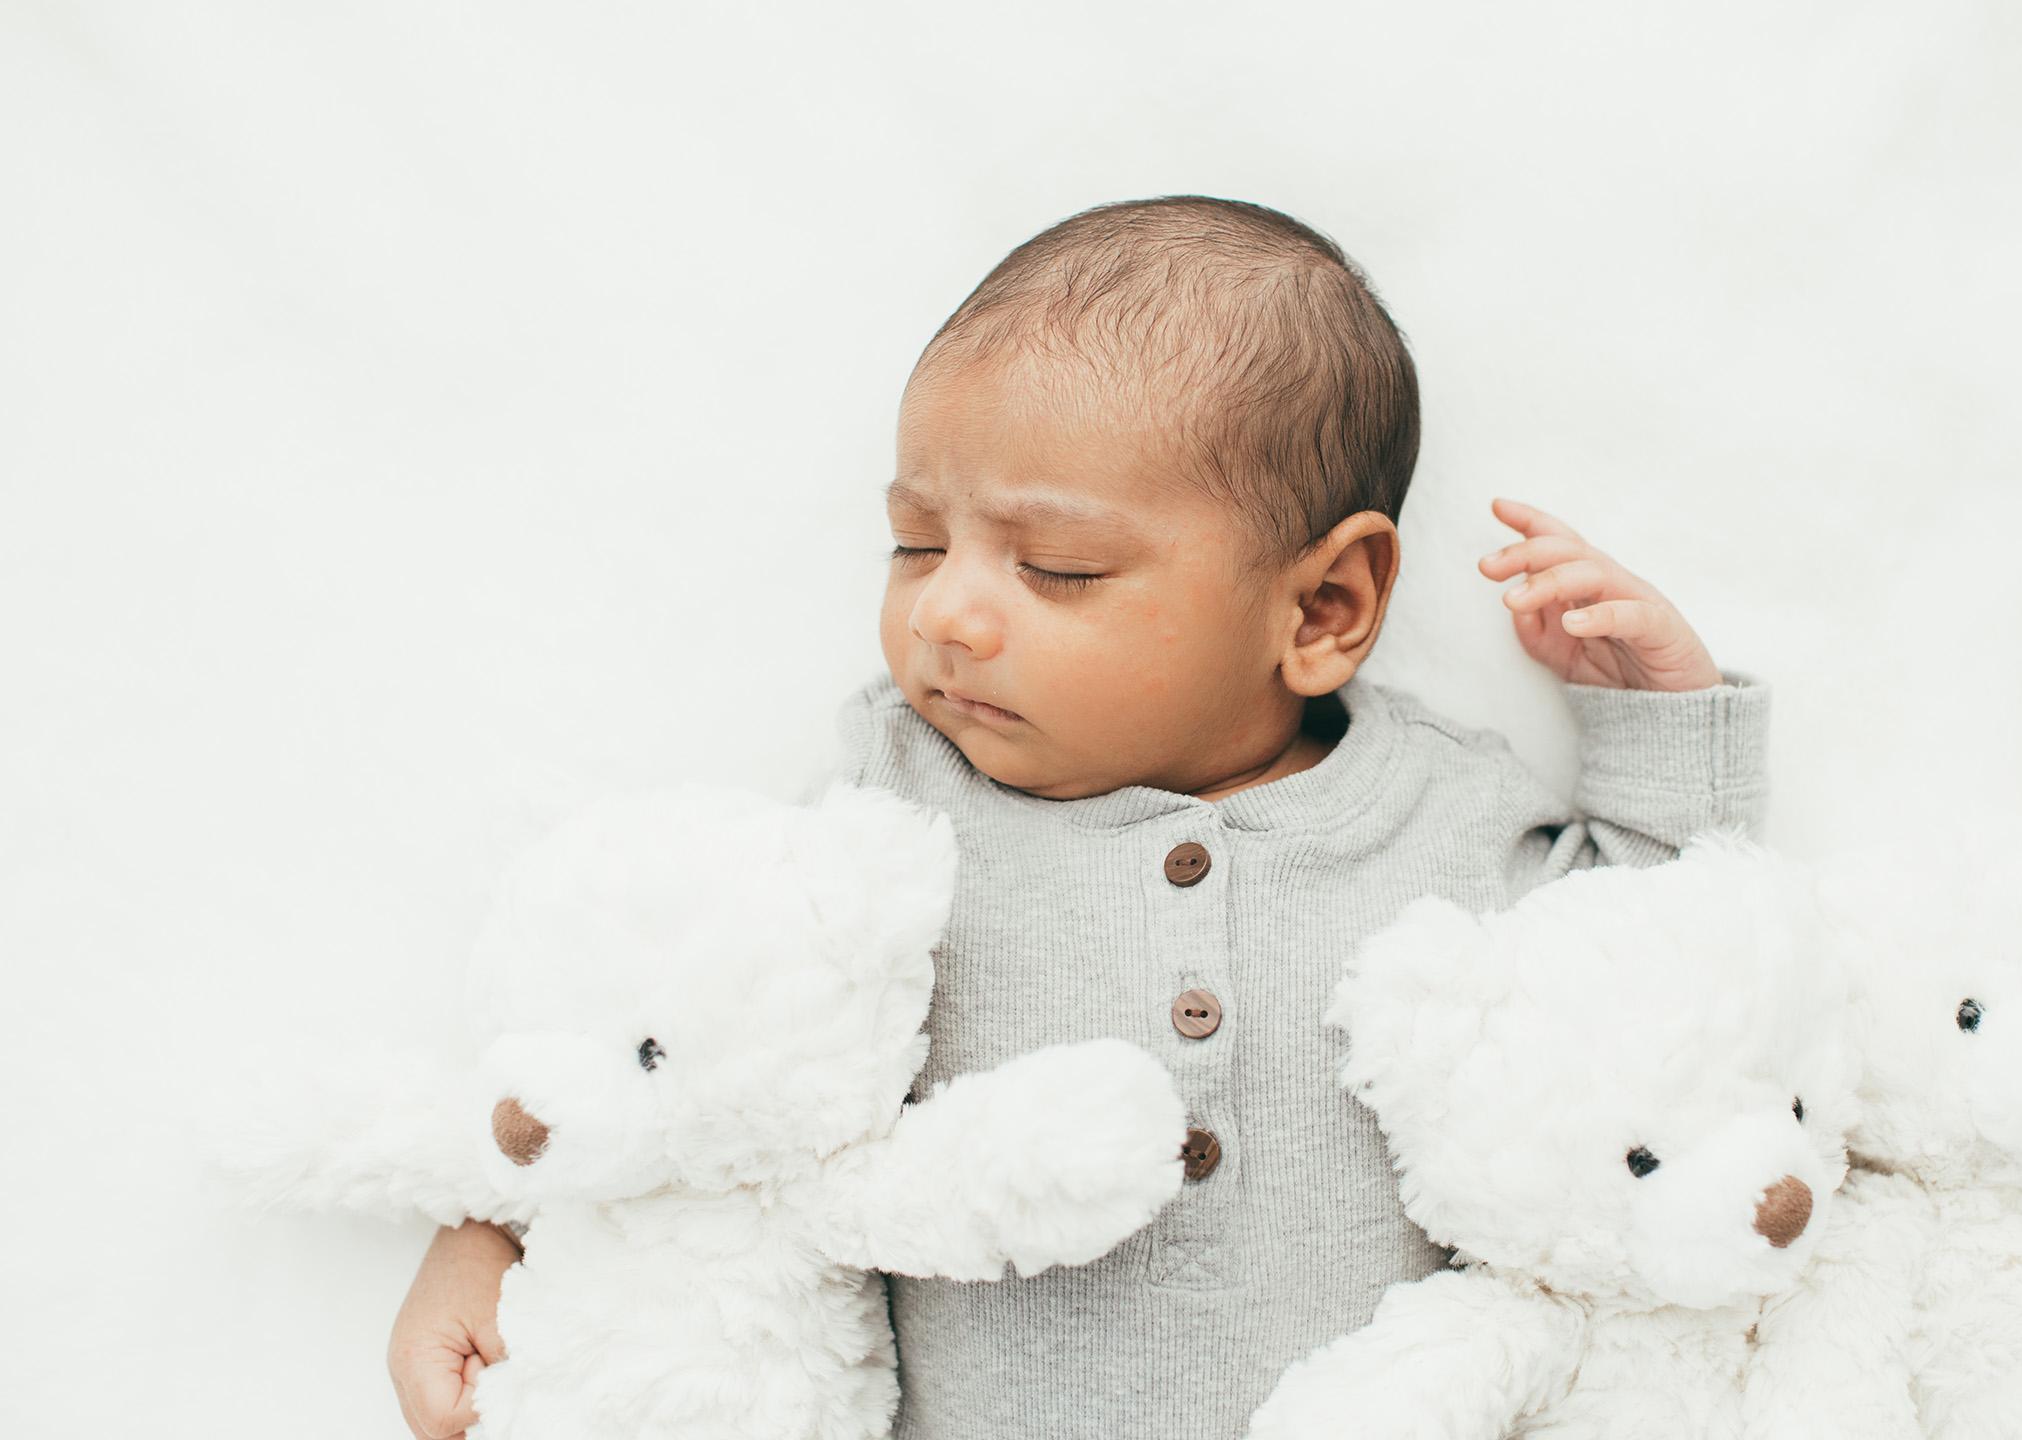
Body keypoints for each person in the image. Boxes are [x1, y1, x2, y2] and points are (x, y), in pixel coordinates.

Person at [385, 194, 1769, 1440]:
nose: (944, 610)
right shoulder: (893, 807)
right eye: (917, 542)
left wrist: (1661, 727)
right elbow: (674, 1045)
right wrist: (492, 1228)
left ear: (1323, 610)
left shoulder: (1440, 820)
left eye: (1054, 566)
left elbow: (1666, 995)